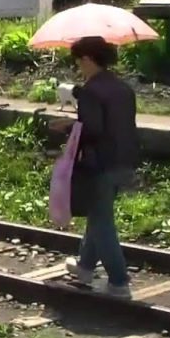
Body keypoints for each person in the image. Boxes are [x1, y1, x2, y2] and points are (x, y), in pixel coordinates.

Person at [51, 36, 139, 299]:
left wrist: (67, 125)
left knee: (101, 222)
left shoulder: (92, 91)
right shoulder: (123, 88)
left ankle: (119, 283)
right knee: (97, 211)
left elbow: (93, 130)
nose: (78, 66)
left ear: (88, 59)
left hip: (100, 163)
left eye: (78, 61)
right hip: (125, 160)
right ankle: (85, 267)